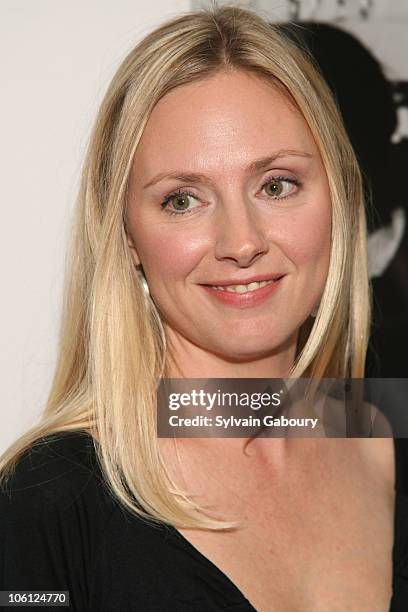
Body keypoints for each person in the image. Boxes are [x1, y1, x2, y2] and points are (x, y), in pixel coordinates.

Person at [0, 4, 404, 611]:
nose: (241, 242)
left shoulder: (385, 436)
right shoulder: (47, 500)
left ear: (339, 202)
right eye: (182, 199)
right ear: (126, 236)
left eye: (276, 185)